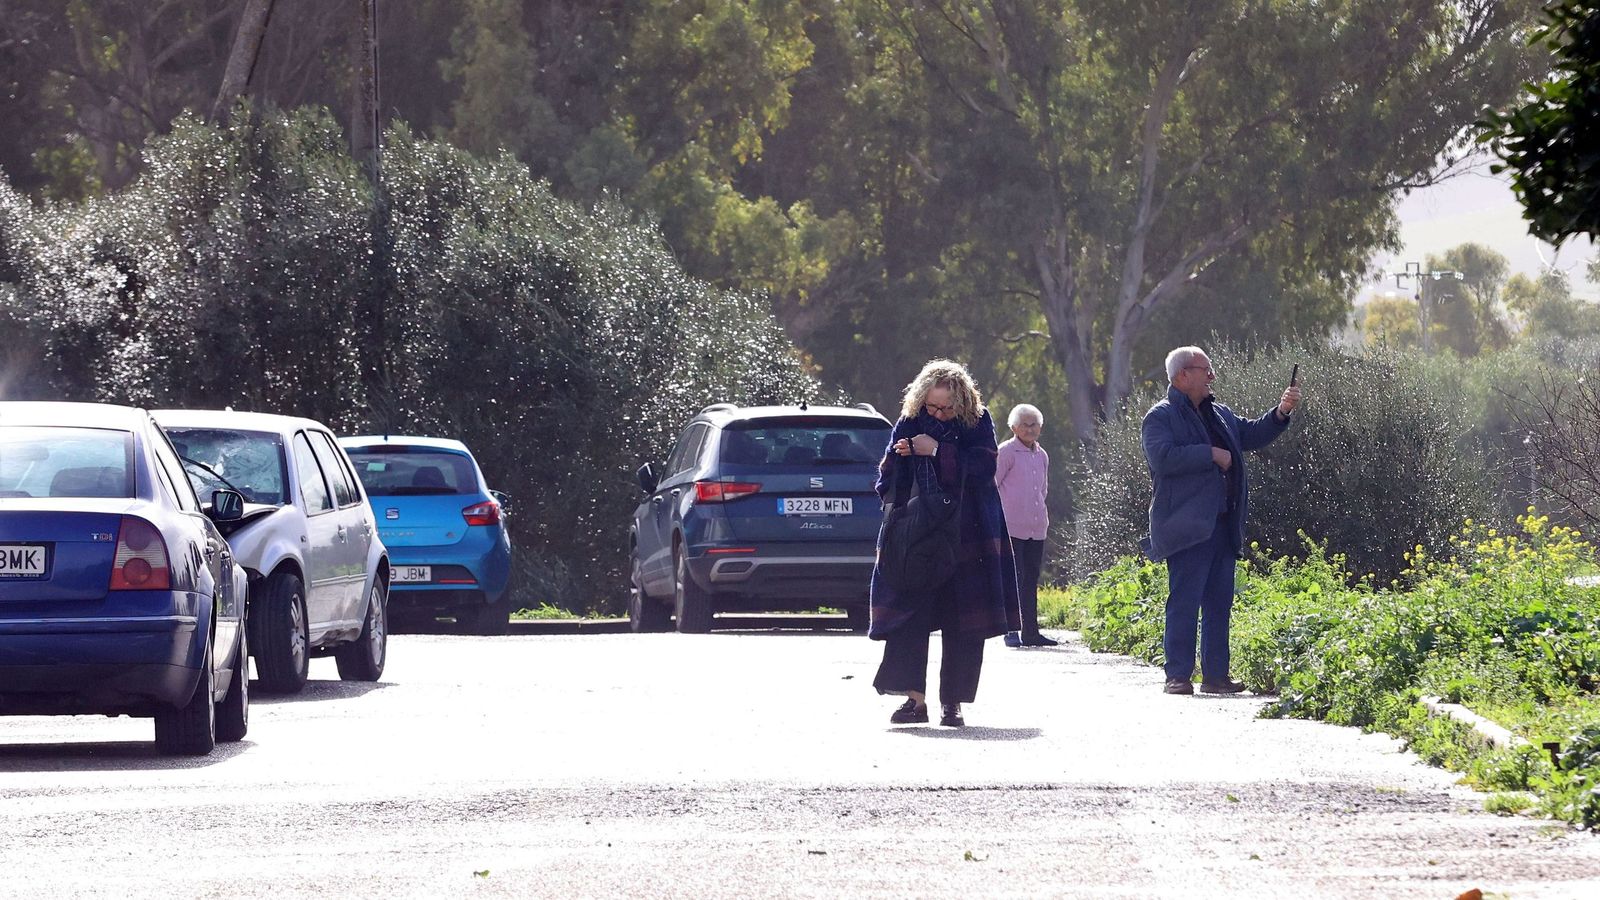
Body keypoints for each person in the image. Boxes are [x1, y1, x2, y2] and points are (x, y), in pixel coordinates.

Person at [869, 359, 1021, 727]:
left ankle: (952, 702)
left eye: (945, 407)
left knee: (963, 620)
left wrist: (937, 450)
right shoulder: (909, 419)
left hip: (968, 532)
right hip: (915, 533)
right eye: (932, 406)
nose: (938, 412)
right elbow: (886, 478)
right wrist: (900, 455)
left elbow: (986, 467)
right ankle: (914, 700)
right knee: (909, 614)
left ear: (961, 402)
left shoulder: (977, 420)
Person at [1141, 346, 1299, 695]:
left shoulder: (1220, 414)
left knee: (1218, 603)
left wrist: (1281, 412)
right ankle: (1177, 676)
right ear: (1183, 375)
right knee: (1183, 602)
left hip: (1223, 525)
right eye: (1205, 370)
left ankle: (1216, 677)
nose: (1212, 376)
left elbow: (1252, 434)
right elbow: (1162, 457)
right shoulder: (1160, 417)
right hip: (1186, 527)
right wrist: (1210, 454)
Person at [995, 403, 1057, 648]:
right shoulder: (1007, 452)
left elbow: (1043, 489)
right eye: (1025, 425)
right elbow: (994, 485)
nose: (1030, 430)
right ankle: (1011, 630)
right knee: (1013, 578)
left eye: (1034, 425)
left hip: (1036, 528)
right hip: (1011, 527)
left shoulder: (1041, 455)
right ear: (1014, 427)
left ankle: (1031, 632)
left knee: (1031, 579)